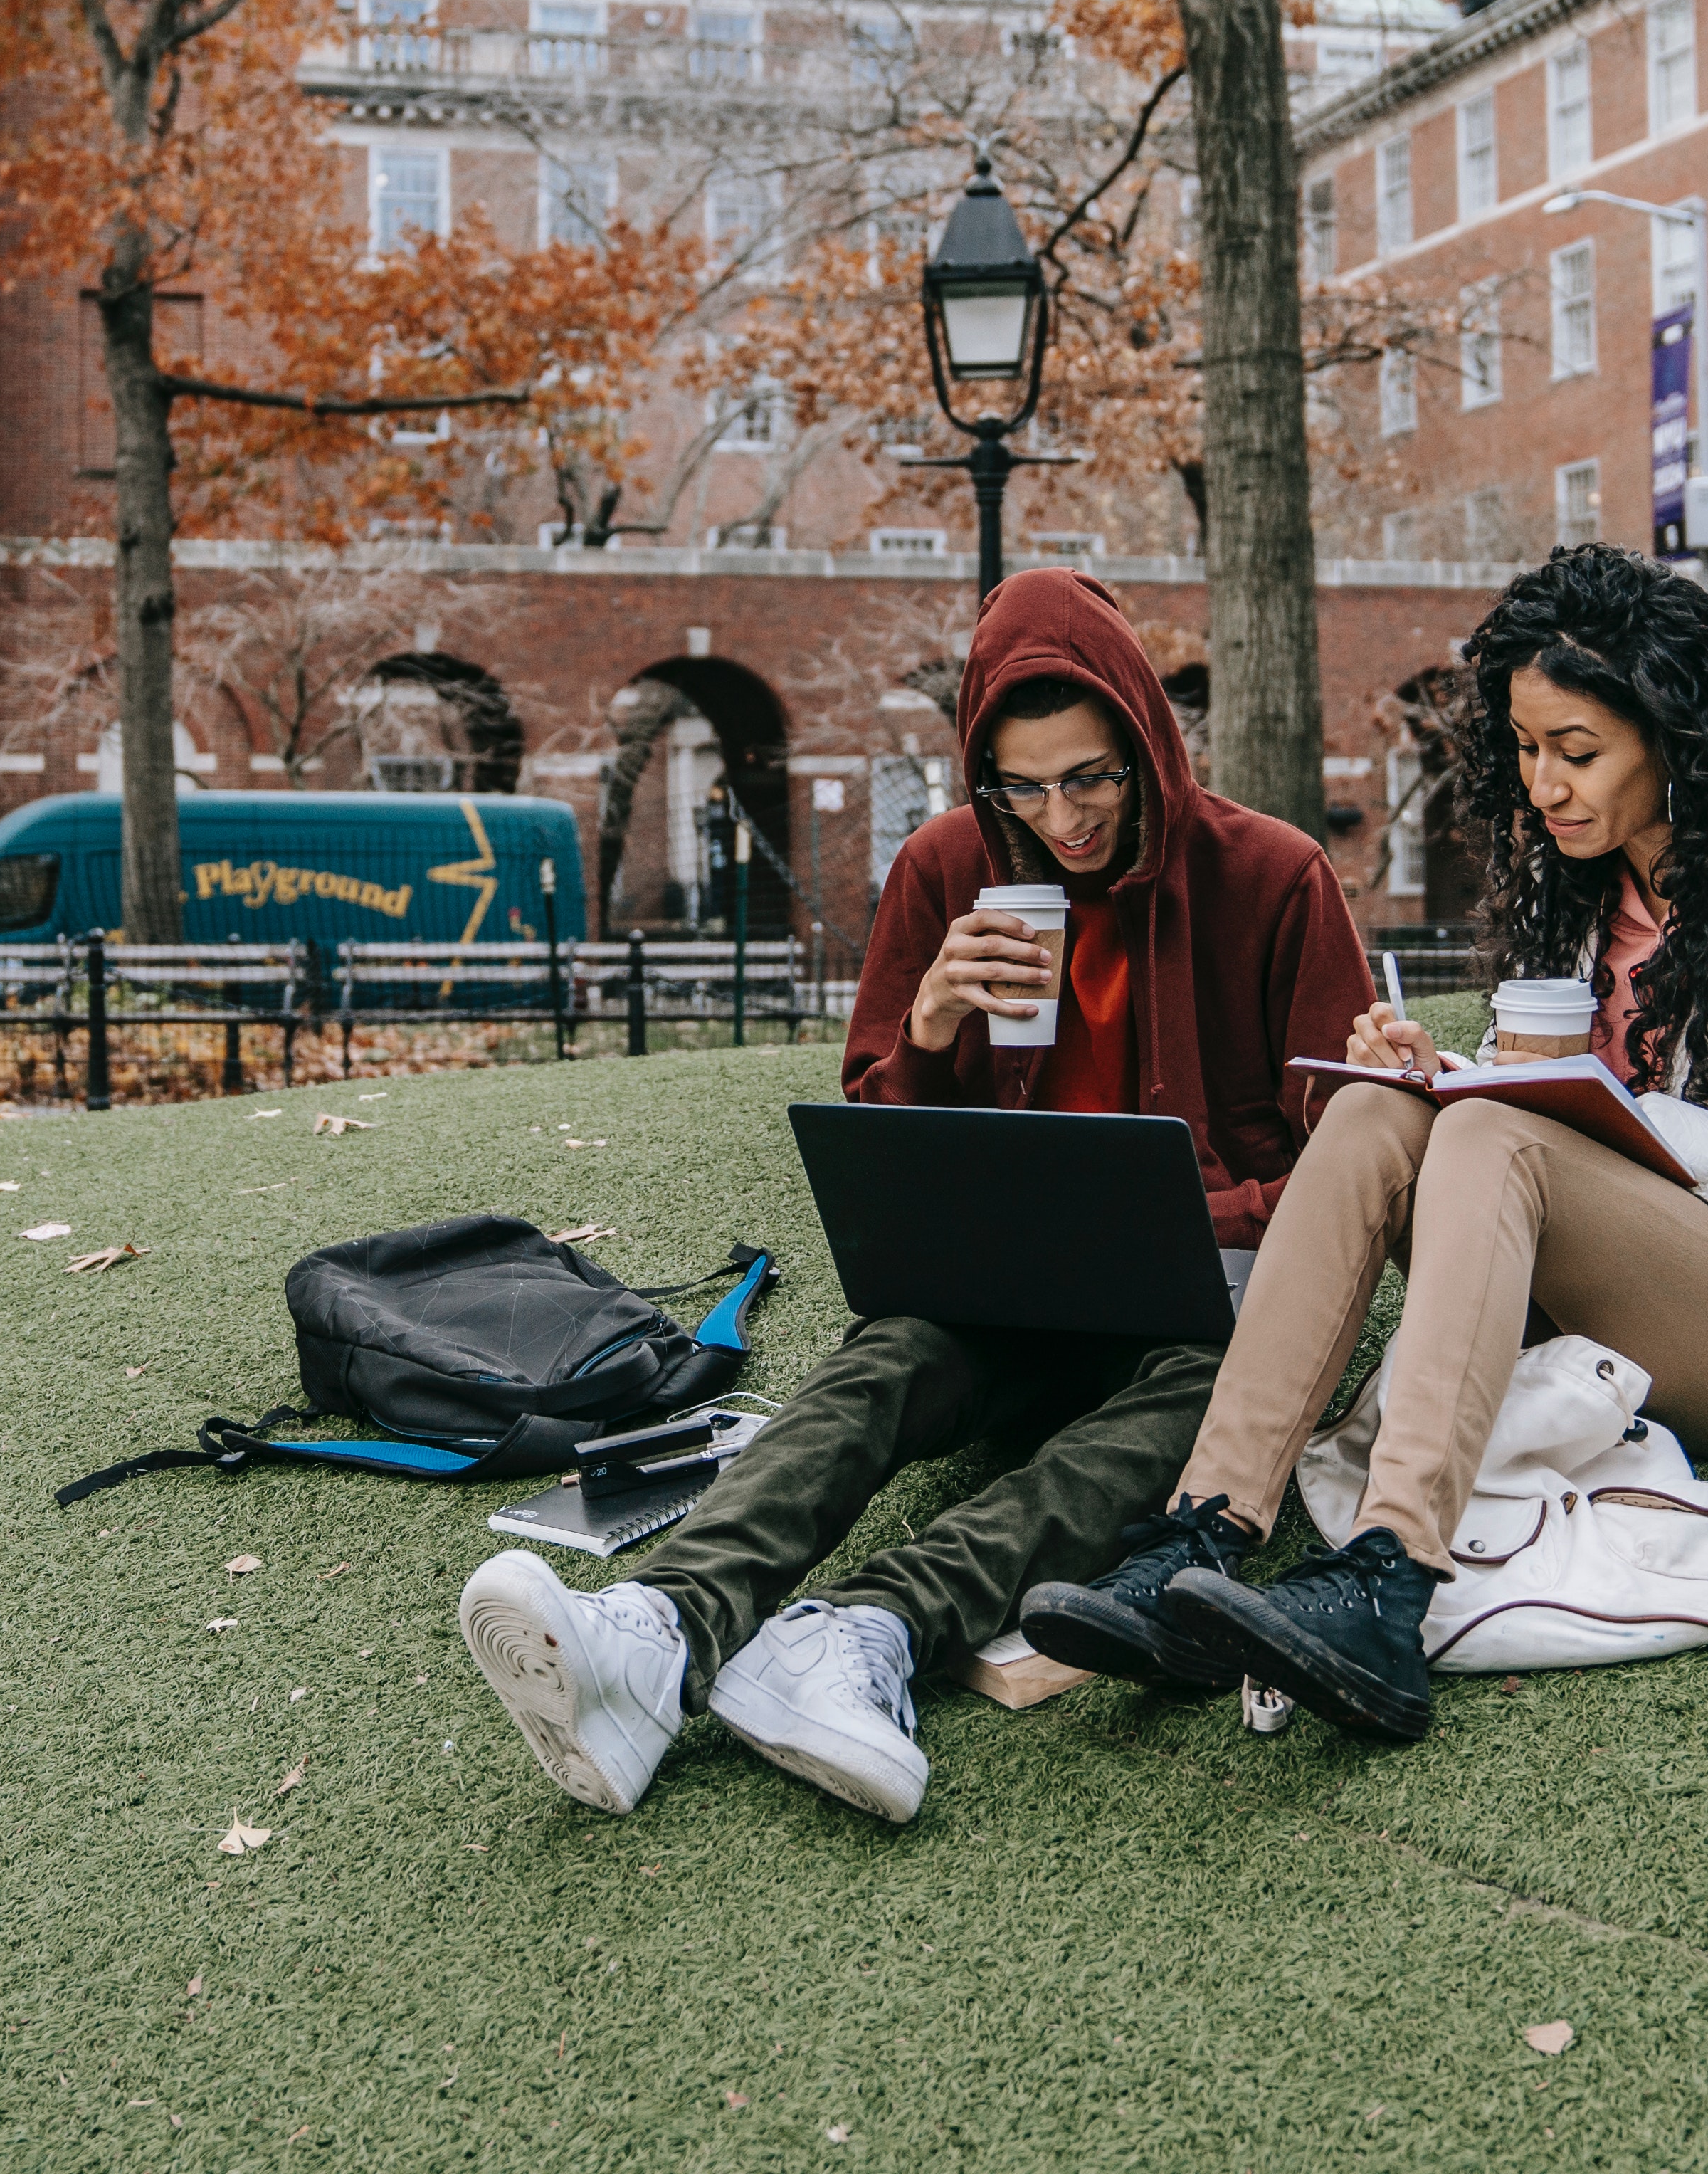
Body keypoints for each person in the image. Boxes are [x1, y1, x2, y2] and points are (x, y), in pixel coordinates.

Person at [455, 567, 1371, 1824]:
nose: (1066, 817)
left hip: (1201, 1303)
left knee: (1201, 1404)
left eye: (1095, 776)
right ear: (979, 772)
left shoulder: (1274, 875)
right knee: (885, 1356)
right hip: (1006, 1293)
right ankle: (658, 1628)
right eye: (1025, 785)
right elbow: (882, 1147)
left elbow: (1347, 1161)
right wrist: (933, 1025)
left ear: (1150, 745)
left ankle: (867, 1631)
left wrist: (1220, 1205)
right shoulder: (946, 867)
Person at [1025, 543, 1708, 1738]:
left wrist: (1626, 1122)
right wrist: (1453, 1074)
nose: (1546, 787)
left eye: (1578, 754)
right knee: (1383, 1110)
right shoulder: (1582, 896)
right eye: (1526, 752)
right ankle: (1201, 1530)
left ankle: (1388, 1574)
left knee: (1494, 1145)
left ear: (1678, 739)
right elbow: (1562, 1118)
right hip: (1593, 1283)